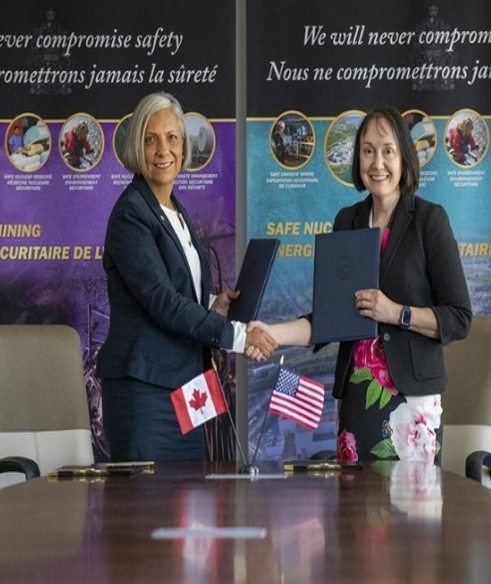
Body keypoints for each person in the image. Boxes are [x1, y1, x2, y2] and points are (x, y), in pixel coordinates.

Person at [251, 105, 471, 463]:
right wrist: (271, 333)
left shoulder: (430, 220)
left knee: (411, 516)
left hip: (411, 405)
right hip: (356, 399)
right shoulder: (347, 220)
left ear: (404, 158)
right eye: (368, 151)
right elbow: (328, 316)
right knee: (356, 516)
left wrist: (395, 313)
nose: (377, 162)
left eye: (387, 151)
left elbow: (459, 317)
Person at [97, 91, 278, 462]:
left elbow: (178, 293)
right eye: (151, 139)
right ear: (137, 147)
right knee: (146, 512)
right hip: (145, 394)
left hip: (185, 390)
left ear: (184, 146)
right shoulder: (132, 214)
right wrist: (239, 336)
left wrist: (214, 305)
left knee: (186, 509)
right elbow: (162, 301)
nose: (163, 150)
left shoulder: (175, 211)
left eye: (172, 138)